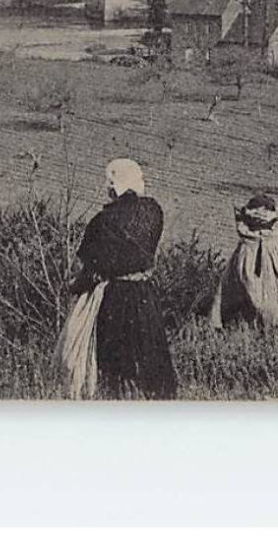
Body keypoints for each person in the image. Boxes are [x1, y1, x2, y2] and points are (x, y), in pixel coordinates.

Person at [56, 158, 177, 399]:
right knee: (148, 356)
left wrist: (75, 287)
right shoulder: (153, 211)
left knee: (113, 364)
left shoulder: (103, 221)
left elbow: (92, 266)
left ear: (114, 187)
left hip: (113, 298)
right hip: (144, 295)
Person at [208, 193, 278, 336]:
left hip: (256, 261)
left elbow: (239, 211)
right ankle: (269, 328)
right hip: (261, 263)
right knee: (268, 299)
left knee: (256, 296)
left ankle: (252, 327)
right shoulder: (274, 235)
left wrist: (246, 212)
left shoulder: (247, 235)